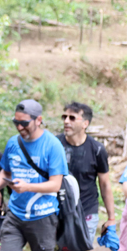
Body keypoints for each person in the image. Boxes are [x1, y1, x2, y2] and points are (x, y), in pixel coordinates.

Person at [0, 99, 68, 251]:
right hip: (15, 214)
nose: (19, 127)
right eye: (15, 122)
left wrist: (27, 187)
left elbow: (55, 184)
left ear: (38, 120)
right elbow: (6, 170)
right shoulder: (13, 143)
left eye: (24, 123)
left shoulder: (53, 145)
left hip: (43, 216)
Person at [56, 101, 115, 244]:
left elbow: (105, 184)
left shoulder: (97, 149)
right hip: (58, 209)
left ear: (85, 124)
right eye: (64, 117)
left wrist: (111, 218)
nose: (66, 121)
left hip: (87, 210)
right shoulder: (54, 144)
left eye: (72, 118)